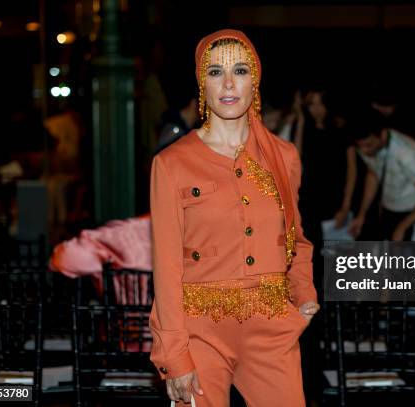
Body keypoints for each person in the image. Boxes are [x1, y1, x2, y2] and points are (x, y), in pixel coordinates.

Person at [149, 29, 318, 406]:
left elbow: (297, 238)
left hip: (271, 326)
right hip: (199, 330)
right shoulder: (171, 163)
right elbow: (165, 265)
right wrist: (174, 356)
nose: (227, 83)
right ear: (201, 82)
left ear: (254, 79)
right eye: (214, 72)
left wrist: (304, 297)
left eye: (240, 71)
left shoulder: (284, 156)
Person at [350, 109, 415, 241]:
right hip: (389, 210)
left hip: (413, 213)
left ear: (383, 134)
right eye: (360, 146)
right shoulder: (368, 147)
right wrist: (362, 214)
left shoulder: (406, 154)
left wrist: (402, 227)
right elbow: (373, 174)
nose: (364, 151)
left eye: (368, 145)